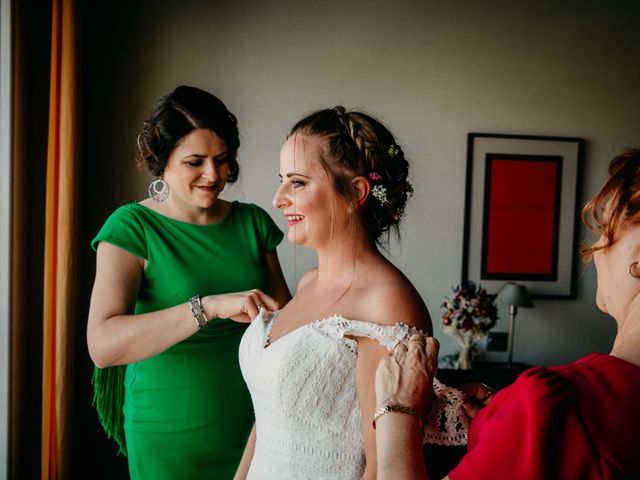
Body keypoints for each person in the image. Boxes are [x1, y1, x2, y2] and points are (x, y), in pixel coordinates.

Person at [374, 147, 640, 479]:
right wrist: (500, 426)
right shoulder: (552, 414)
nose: (594, 253)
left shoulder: (562, 408)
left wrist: (395, 412)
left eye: (605, 228)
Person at [87, 85, 291, 479]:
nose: (213, 175)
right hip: (166, 435)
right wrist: (208, 307)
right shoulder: (132, 227)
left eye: (222, 160)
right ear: (162, 162)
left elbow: (284, 327)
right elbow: (102, 345)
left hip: (253, 428)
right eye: (195, 162)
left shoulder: (252, 223)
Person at [235, 106, 440, 479]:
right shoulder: (308, 283)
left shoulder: (387, 303)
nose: (278, 198)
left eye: (297, 182)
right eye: (282, 180)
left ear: (357, 192)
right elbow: (268, 420)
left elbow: (381, 467)